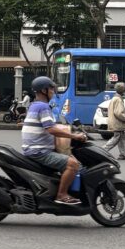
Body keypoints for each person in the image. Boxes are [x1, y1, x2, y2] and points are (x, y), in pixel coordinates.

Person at [21, 76, 87, 205]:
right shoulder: (43, 107)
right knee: (73, 164)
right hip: (39, 151)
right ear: (44, 90)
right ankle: (61, 195)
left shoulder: (35, 105)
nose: (53, 92)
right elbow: (51, 129)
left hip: (34, 148)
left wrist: (68, 129)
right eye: (51, 89)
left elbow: (52, 125)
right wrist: (75, 136)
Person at [104, 81, 125, 160]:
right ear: (122, 89)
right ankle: (102, 151)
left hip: (116, 122)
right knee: (116, 139)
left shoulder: (115, 98)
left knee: (122, 138)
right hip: (118, 123)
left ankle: (122, 155)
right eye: (124, 87)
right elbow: (119, 113)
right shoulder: (118, 99)